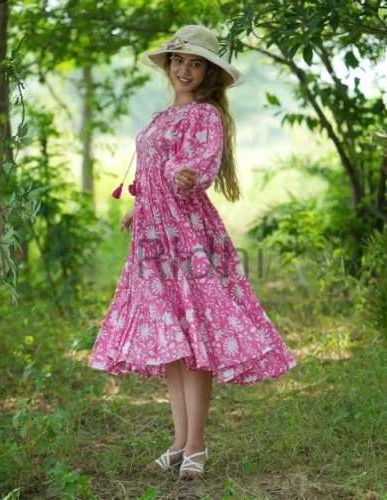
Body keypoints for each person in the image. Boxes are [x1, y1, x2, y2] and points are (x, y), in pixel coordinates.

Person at [86, 24, 297, 480]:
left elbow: (200, 166)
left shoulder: (204, 116)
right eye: (178, 60)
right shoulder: (163, 116)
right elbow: (153, 173)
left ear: (208, 73)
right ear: (169, 64)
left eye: (195, 63)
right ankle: (179, 442)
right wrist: (141, 206)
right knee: (173, 340)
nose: (184, 70)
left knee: (196, 335)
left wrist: (188, 177)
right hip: (154, 237)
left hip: (188, 237)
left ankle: (197, 445)